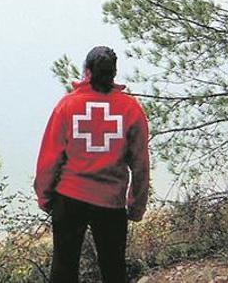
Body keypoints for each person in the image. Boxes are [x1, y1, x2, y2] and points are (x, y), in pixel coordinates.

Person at [34, 46, 149, 283]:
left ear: (86, 71)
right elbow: (140, 164)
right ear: (114, 73)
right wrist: (136, 205)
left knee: (64, 267)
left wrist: (44, 196)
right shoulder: (131, 108)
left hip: (69, 198)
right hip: (111, 202)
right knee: (113, 268)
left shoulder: (67, 106)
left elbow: (49, 157)